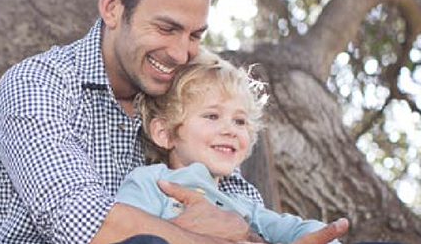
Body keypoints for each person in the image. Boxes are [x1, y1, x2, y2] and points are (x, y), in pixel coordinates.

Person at [0, 0, 348, 243]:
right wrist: (197, 236)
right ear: (112, 8)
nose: (180, 52)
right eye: (166, 28)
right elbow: (80, 221)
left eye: (195, 35)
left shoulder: (186, 98)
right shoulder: (39, 84)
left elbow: (240, 209)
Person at [115, 51, 342, 244]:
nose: (230, 130)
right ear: (164, 133)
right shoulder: (150, 182)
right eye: (212, 116)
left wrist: (323, 235)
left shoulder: (242, 205)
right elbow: (121, 230)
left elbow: (291, 229)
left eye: (240, 121)